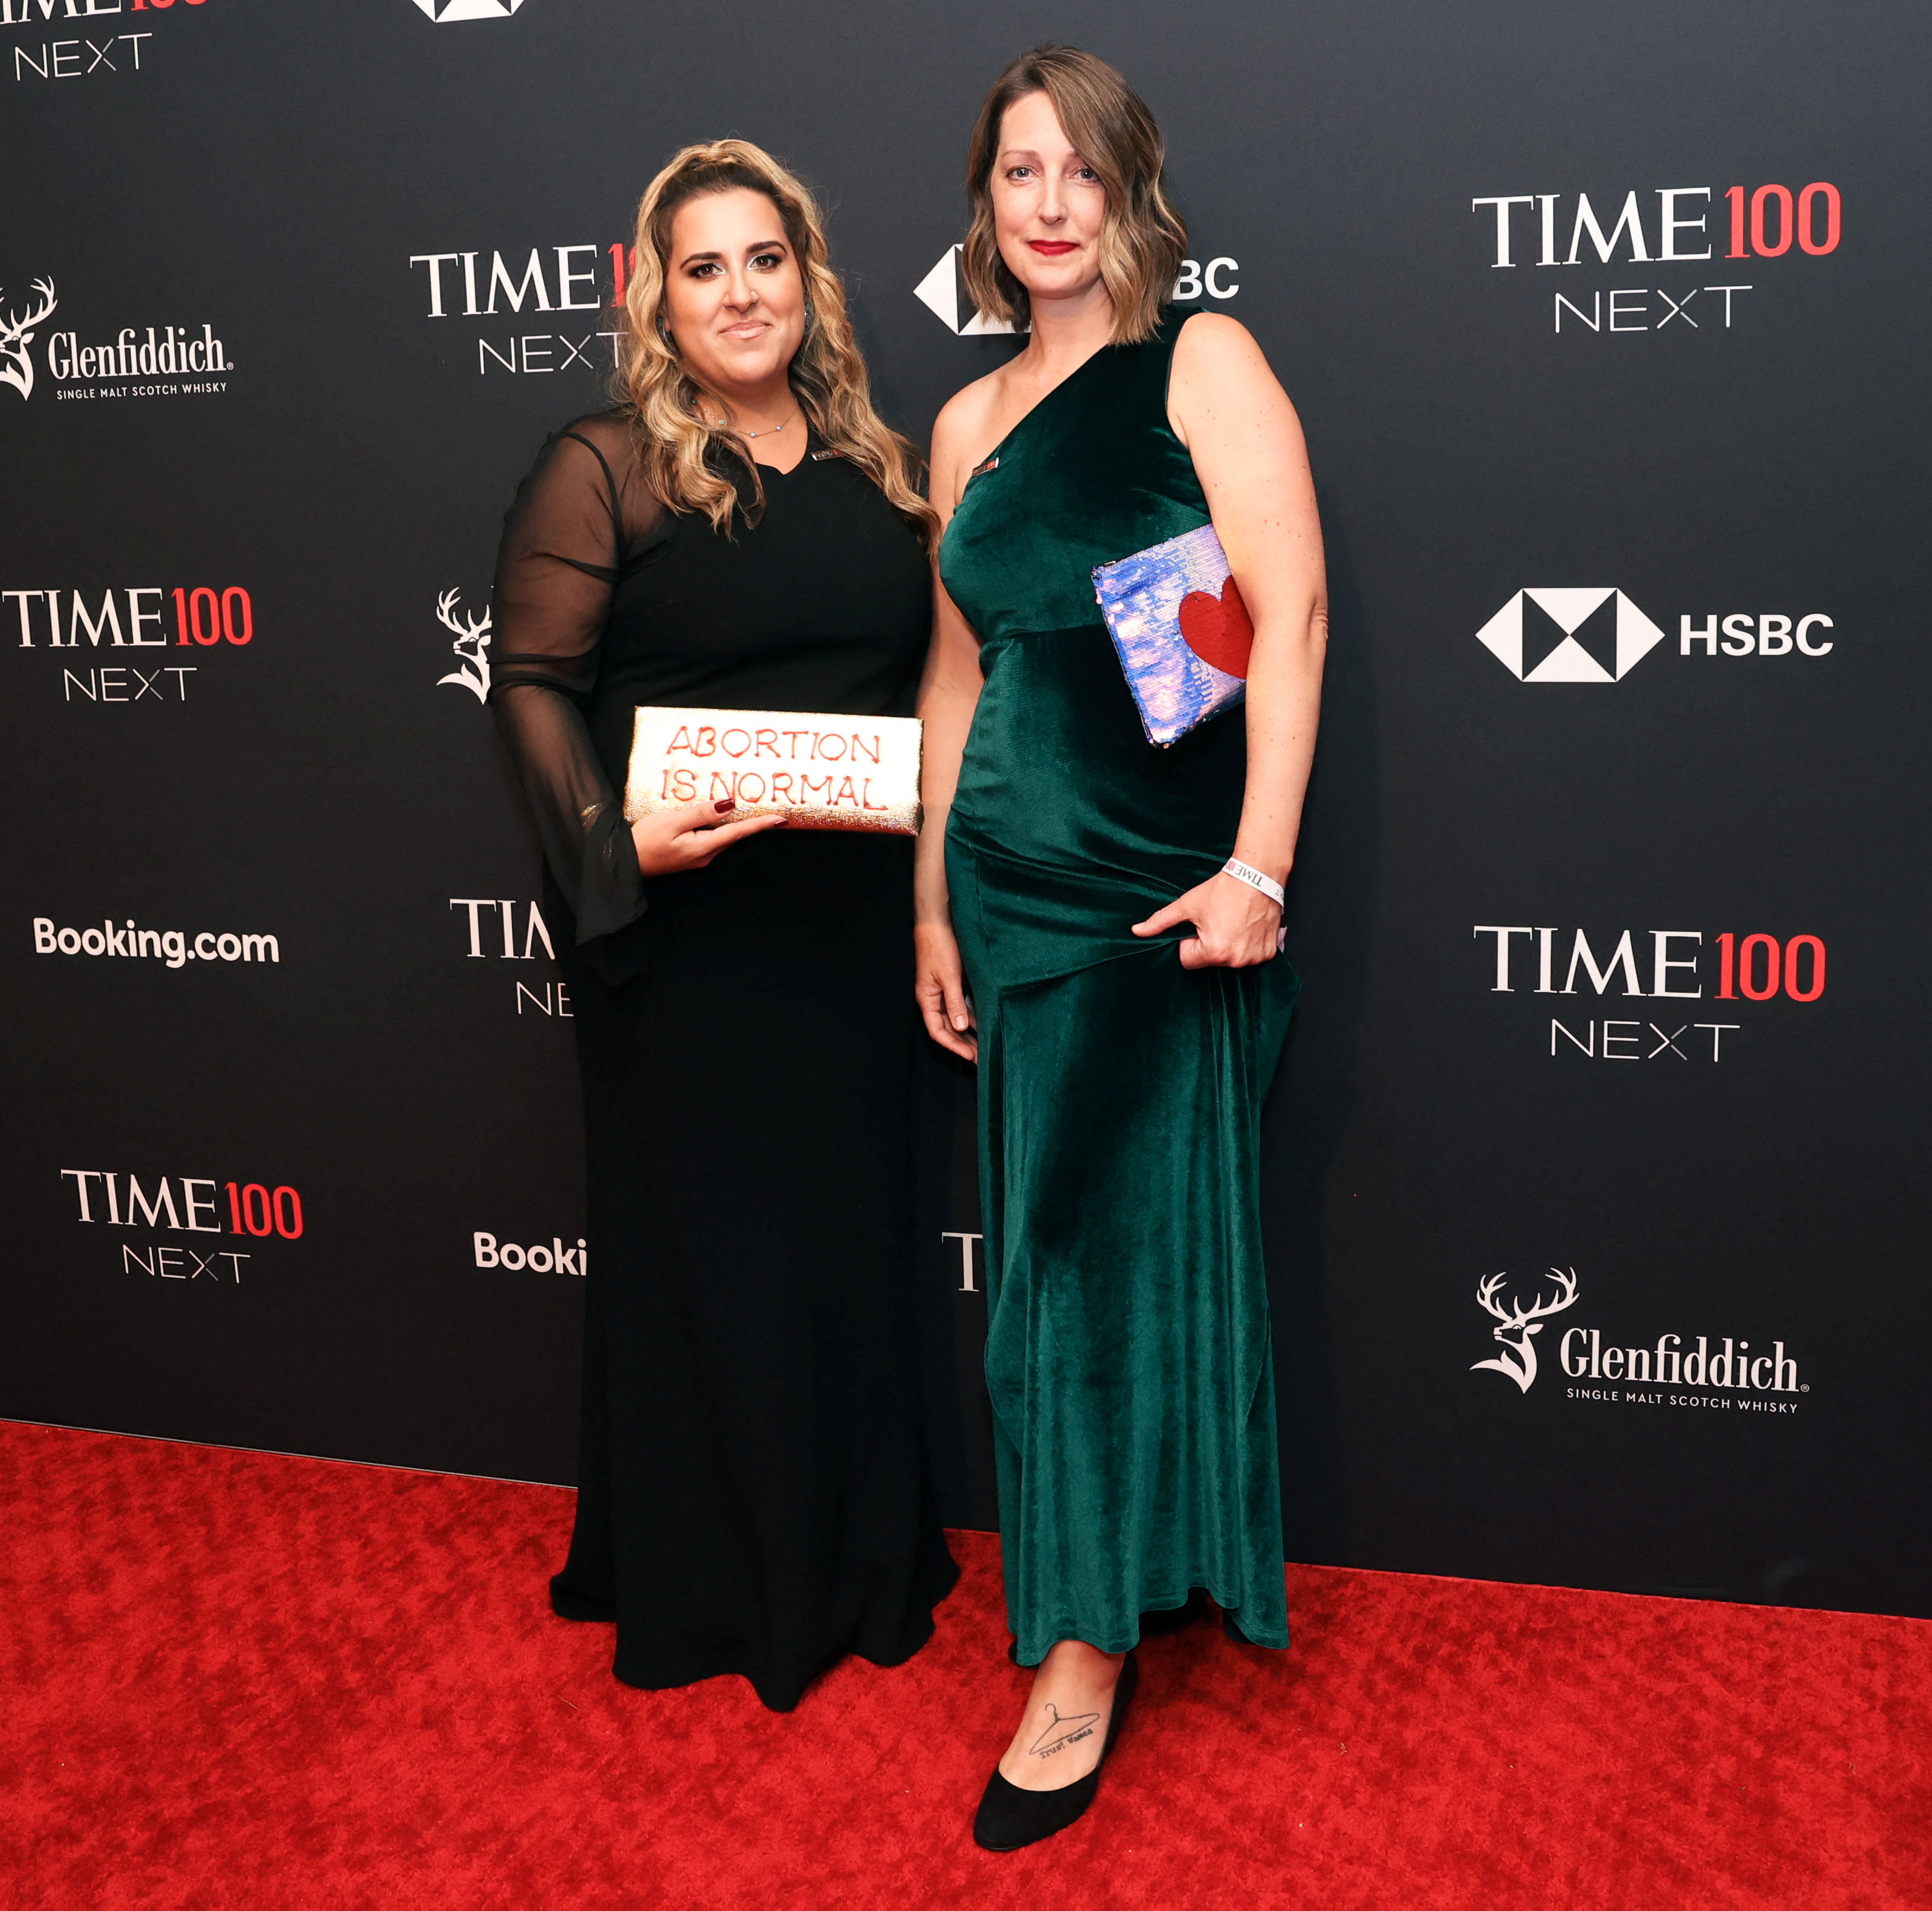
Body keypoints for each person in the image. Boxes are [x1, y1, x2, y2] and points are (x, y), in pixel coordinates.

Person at [913, 47, 1328, 1847]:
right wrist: (928, 893)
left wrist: (1261, 864)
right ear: (988, 206)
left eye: (1081, 169)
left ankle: (1082, 1646)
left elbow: (1284, 611)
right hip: (1008, 892)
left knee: (1094, 1272)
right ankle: (1099, 1588)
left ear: (1131, 191)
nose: (1051, 201)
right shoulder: (963, 420)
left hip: (1161, 892)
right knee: (1048, 1273)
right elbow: (959, 672)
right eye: (1020, 172)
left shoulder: (1201, 361)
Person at [487, 139, 957, 1712]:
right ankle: (715, 1584)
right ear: (655, 293)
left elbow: (929, 686)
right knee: (716, 1261)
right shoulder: (604, 463)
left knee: (834, 1252)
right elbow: (534, 686)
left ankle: (853, 1556)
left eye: (765, 259)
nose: (739, 293)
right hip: (681, 951)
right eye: (703, 267)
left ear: (807, 278)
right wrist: (614, 848)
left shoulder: (878, 465)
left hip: (842, 944)